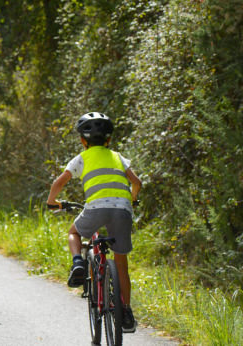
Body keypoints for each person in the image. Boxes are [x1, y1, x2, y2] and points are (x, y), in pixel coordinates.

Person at [46, 112, 142, 333]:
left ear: (83, 140)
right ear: (109, 140)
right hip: (122, 209)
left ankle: (78, 262)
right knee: (121, 264)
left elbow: (58, 182)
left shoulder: (81, 158)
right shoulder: (118, 157)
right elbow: (136, 182)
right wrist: (133, 199)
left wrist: (53, 202)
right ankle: (126, 311)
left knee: (74, 233)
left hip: (96, 207)